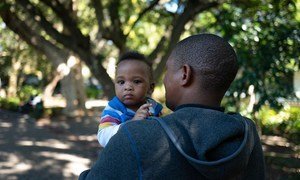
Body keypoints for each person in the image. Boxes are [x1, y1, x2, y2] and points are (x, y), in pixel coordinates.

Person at [79, 34, 265, 179]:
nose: (164, 79)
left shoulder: (133, 133)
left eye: (167, 70)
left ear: (185, 74)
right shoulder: (247, 134)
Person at [97, 51, 163, 147]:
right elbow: (103, 137)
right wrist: (131, 124)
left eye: (136, 81)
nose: (127, 87)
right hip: (125, 157)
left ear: (151, 87)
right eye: (121, 82)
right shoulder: (114, 109)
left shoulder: (152, 106)